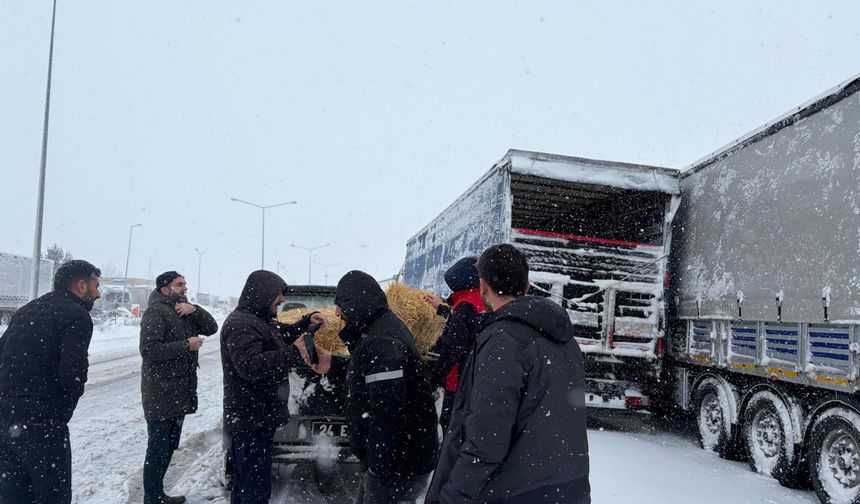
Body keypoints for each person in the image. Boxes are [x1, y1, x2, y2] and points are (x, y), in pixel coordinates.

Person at [426, 244, 591, 504]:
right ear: (526, 287)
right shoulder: (563, 337)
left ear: (482, 286)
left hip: (517, 492)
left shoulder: (503, 340)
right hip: (568, 487)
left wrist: (451, 496)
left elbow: (485, 440)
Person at [220, 270, 329, 504]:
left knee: (247, 481)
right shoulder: (241, 325)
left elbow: (279, 335)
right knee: (254, 486)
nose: (281, 299)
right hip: (250, 419)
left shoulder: (258, 321)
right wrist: (294, 352)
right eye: (278, 294)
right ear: (261, 293)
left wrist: (306, 322)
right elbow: (250, 366)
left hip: (256, 417)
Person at [0, 260, 101, 504]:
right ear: (81, 285)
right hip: (42, 425)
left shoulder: (26, 311)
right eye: (96, 286)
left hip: (5, 420)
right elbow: (73, 376)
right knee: (51, 495)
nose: (98, 294)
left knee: (13, 495)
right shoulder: (77, 316)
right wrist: (57, 415)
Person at [334, 270, 438, 504]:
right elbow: (366, 370)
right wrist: (333, 364)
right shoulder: (379, 330)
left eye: (340, 304)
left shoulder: (381, 340)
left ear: (356, 304)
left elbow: (387, 411)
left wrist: (377, 468)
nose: (336, 312)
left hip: (398, 465)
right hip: (396, 459)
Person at [139, 271, 219, 504]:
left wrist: (195, 309)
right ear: (165, 289)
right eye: (179, 285)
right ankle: (152, 498)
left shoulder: (182, 309)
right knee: (158, 448)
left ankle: (157, 494)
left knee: (169, 446)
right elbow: (149, 350)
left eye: (185, 284)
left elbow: (212, 327)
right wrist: (186, 345)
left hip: (179, 392)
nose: (184, 288)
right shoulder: (155, 313)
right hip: (161, 392)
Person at [424, 256, 485, 431]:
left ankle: (449, 458)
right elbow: (463, 322)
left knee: (450, 423)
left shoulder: (464, 305)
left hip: (458, 380)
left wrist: (433, 380)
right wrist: (441, 307)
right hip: (478, 377)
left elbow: (452, 349)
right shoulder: (482, 301)